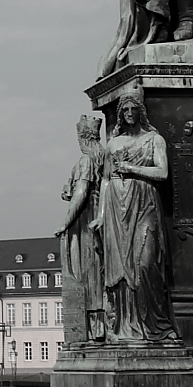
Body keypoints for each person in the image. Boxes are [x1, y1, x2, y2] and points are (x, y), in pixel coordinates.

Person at [102, 92, 179, 342]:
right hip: (117, 207)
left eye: (133, 110)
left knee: (146, 262)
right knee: (121, 269)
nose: (129, 115)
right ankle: (127, 325)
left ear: (140, 112)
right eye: (124, 111)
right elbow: (105, 180)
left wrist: (131, 169)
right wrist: (101, 216)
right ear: (120, 116)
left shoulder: (154, 140)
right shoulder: (113, 145)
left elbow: (163, 172)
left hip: (145, 202)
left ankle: (155, 324)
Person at [56, 115, 107, 343]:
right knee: (96, 272)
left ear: (83, 138)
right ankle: (99, 326)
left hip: (85, 221)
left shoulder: (86, 161)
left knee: (87, 273)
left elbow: (81, 193)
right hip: (96, 217)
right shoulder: (101, 158)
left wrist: (66, 222)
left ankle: (93, 328)